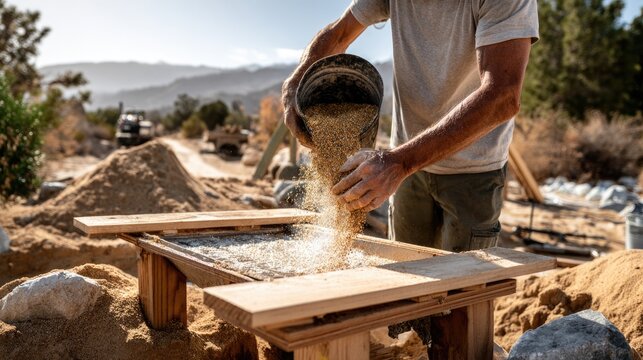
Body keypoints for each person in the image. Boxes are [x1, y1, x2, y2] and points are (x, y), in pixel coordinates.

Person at [283, 1, 538, 252]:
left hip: (471, 169)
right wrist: (296, 81)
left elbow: (502, 96)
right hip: (404, 165)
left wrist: (399, 163)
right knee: (406, 273)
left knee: (463, 286)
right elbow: (339, 33)